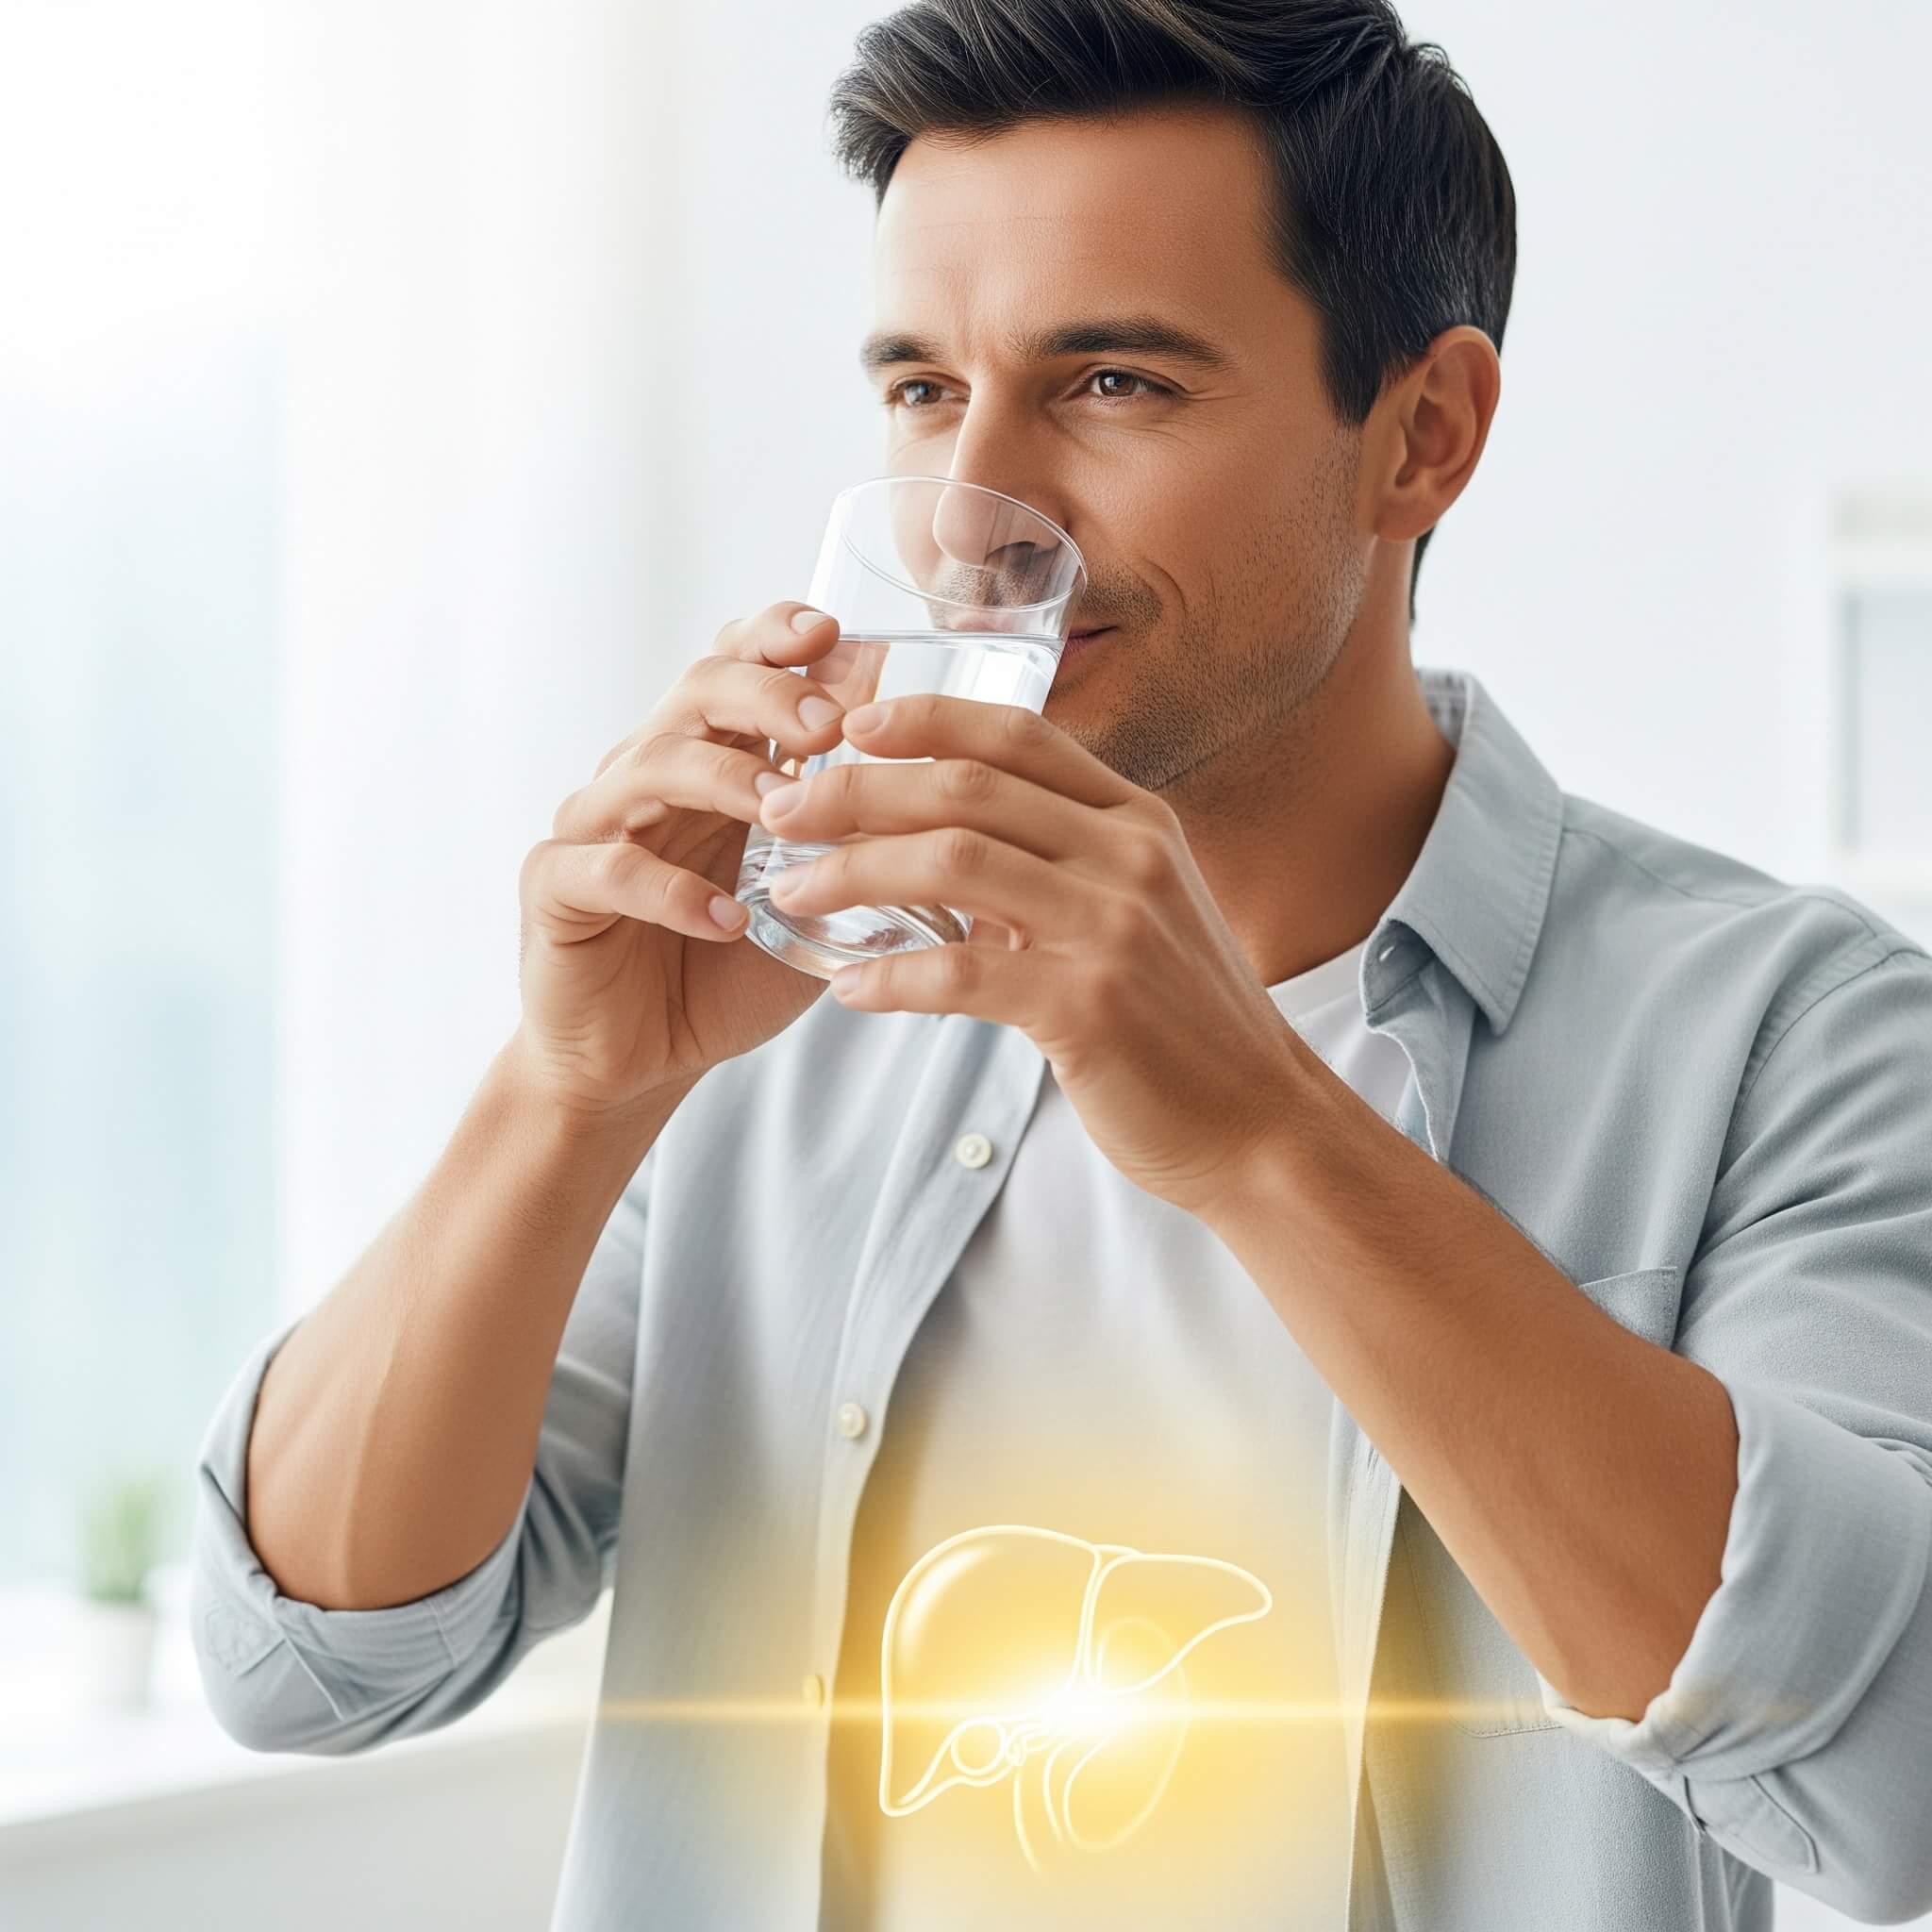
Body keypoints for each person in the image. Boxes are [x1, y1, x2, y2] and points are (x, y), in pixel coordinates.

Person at [190, 2, 1932, 1926]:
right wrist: (568, 1088)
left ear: (1420, 435)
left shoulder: (1798, 1041)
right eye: (925, 389)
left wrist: (1259, 1129)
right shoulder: (782, 1003)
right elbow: (307, 1663)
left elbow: (1888, 1783)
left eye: (1111, 382)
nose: (970, 513)